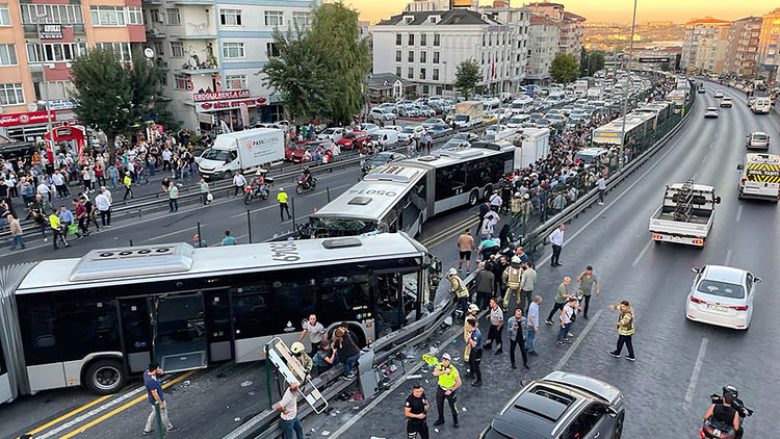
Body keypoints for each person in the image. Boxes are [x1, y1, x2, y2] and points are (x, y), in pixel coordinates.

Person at [142, 362, 177, 435]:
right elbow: (155, 394)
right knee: (163, 413)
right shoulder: (151, 381)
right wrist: (161, 403)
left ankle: (147, 429)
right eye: (158, 368)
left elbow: (157, 373)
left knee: (154, 412)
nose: (159, 369)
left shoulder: (146, 373)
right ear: (155, 370)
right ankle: (169, 427)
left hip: (152, 400)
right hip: (157, 400)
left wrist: (160, 372)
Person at [432, 353, 462, 428]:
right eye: (443, 360)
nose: (444, 361)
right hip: (441, 388)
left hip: (450, 390)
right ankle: (441, 419)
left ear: (449, 361)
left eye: (446, 360)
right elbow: (435, 373)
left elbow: (459, 383)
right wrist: (444, 371)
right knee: (439, 405)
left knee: (453, 407)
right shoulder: (440, 365)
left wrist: (451, 390)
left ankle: (455, 421)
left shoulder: (454, 370)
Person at [463, 304, 478, 378]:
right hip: (469, 335)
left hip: (469, 335)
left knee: (469, 347)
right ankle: (467, 358)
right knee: (469, 347)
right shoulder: (469, 318)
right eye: (475, 311)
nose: (476, 312)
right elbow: (470, 328)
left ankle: (467, 357)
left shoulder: (470, 317)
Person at [467, 318, 483, 387]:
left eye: (468, 324)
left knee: (476, 366)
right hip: (473, 350)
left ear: (471, 325)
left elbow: (474, 344)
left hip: (477, 351)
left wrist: (469, 338)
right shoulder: (472, 331)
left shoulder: (477, 333)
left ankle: (479, 381)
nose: (467, 326)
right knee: (470, 361)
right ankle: (471, 374)